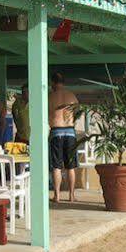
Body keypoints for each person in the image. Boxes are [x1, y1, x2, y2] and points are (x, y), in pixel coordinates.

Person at [48, 72, 79, 202]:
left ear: (53, 83)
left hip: (57, 132)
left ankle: (57, 195)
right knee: (70, 166)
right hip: (70, 132)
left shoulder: (50, 97)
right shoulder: (72, 96)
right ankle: (71, 196)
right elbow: (77, 113)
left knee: (57, 166)